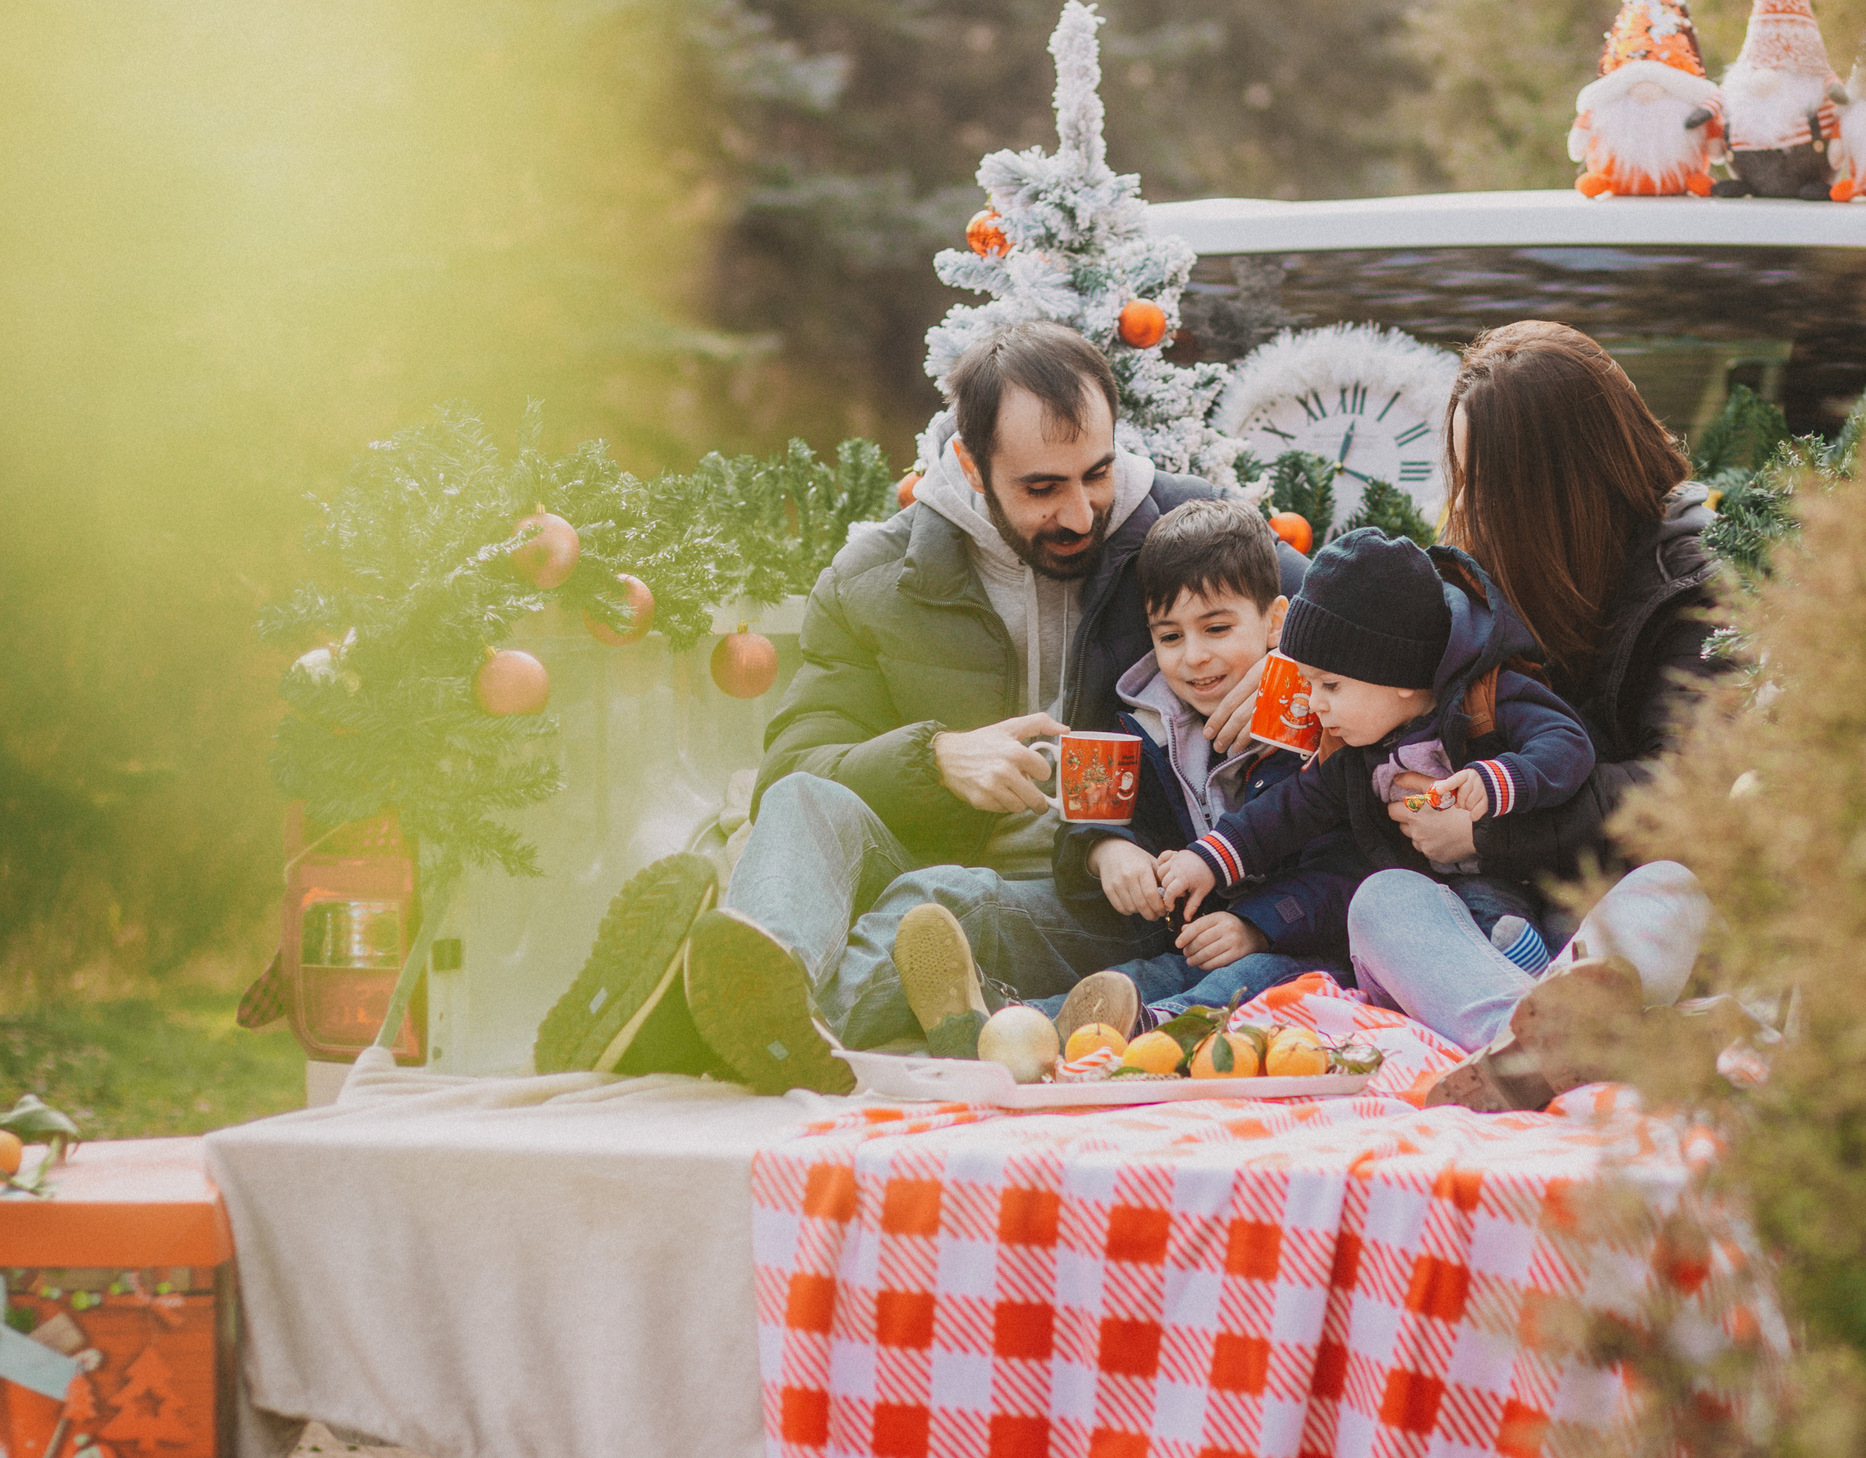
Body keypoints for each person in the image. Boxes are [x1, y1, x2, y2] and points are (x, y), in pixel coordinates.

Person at [532, 320, 1303, 1092]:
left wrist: (1284, 669)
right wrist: (932, 758)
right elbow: (793, 764)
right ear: (970, 463)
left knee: (937, 904)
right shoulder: (875, 577)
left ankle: (694, 1023)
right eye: (1041, 488)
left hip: (1101, 899)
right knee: (804, 799)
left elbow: (1362, 621)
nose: (1078, 512)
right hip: (926, 881)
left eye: (1096, 474)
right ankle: (760, 991)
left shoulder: (1188, 535)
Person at [1339, 320, 1731, 1106]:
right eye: (1461, 475)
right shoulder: (1477, 581)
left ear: (1554, 481)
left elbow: (1686, 789)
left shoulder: (1695, 586)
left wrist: (1488, 830)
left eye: (1484, 480)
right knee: (1381, 901)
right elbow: (1385, 682)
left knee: (1672, 886)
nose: (1464, 503)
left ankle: (1531, 1043)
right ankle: (1529, 1042)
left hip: (1613, 912)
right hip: (1499, 923)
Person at [1006, 498, 1362, 1043]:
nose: (1192, 656)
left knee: (1253, 978)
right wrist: (1106, 847)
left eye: (1216, 628)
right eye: (1170, 636)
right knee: (1142, 976)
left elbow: (1351, 867)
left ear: (1275, 622)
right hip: (1177, 937)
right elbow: (1087, 817)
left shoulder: (1323, 725)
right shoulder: (1143, 722)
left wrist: (1259, 925)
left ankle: (1142, 1029)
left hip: (1294, 947)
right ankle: (1008, 1028)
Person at [1154, 525, 1598, 961]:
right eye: (1309, 684)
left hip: (1518, 874)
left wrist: (1498, 779)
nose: (1315, 703)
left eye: (1330, 685)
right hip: (1423, 891)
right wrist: (1209, 859)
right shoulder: (1353, 750)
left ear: (1399, 675)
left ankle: (1525, 972)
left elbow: (1567, 742)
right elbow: (1287, 810)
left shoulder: (1488, 697)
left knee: (1492, 921)